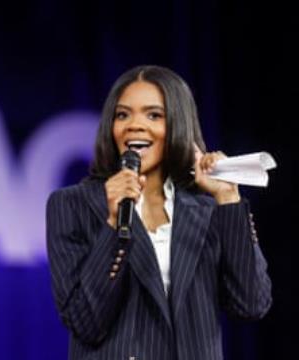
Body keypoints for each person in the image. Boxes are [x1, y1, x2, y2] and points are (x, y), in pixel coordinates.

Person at [45, 65, 272, 360]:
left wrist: (227, 198)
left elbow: (251, 304)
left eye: (154, 115)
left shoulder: (207, 210)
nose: (134, 125)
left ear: (178, 125)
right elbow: (85, 323)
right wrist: (114, 224)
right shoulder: (72, 205)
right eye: (123, 114)